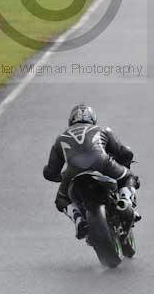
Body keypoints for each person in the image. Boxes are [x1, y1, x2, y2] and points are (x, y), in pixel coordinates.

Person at [43, 103, 141, 240]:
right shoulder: (103, 129)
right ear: (93, 119)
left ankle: (78, 220)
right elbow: (124, 152)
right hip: (103, 164)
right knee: (128, 177)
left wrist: (59, 176)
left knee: (61, 199)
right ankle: (125, 201)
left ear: (71, 121)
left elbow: (51, 172)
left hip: (73, 172)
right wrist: (125, 160)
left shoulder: (60, 138)